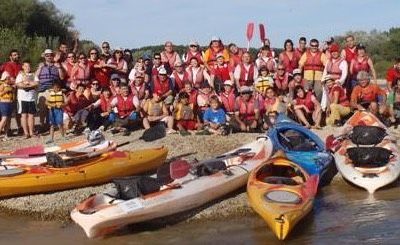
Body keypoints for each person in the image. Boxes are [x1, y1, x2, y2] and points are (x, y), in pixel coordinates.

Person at [35, 49, 65, 131]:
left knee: (53, 108)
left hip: (53, 89)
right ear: (44, 56)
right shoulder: (41, 65)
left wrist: (59, 68)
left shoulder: (57, 66)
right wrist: (39, 68)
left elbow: (62, 77)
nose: (49, 57)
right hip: (43, 90)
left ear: (53, 56)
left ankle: (51, 124)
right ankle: (42, 124)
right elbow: (36, 76)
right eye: (47, 55)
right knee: (42, 108)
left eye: (51, 55)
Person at [15, 61, 38, 138]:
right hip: (22, 98)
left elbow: (37, 83)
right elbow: (18, 84)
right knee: (24, 115)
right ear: (23, 67)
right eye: (26, 66)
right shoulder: (20, 75)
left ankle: (31, 132)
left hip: (31, 98)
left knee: (31, 116)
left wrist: (26, 83)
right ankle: (26, 133)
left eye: (29, 66)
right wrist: (30, 84)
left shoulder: (34, 75)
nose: (28, 67)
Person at [0, 73, 15, 141]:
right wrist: (5, 91)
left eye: (9, 78)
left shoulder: (11, 86)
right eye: (7, 78)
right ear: (4, 79)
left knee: (8, 120)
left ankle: (6, 135)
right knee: (4, 119)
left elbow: (13, 94)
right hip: (4, 103)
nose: (9, 79)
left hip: (10, 103)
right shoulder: (2, 85)